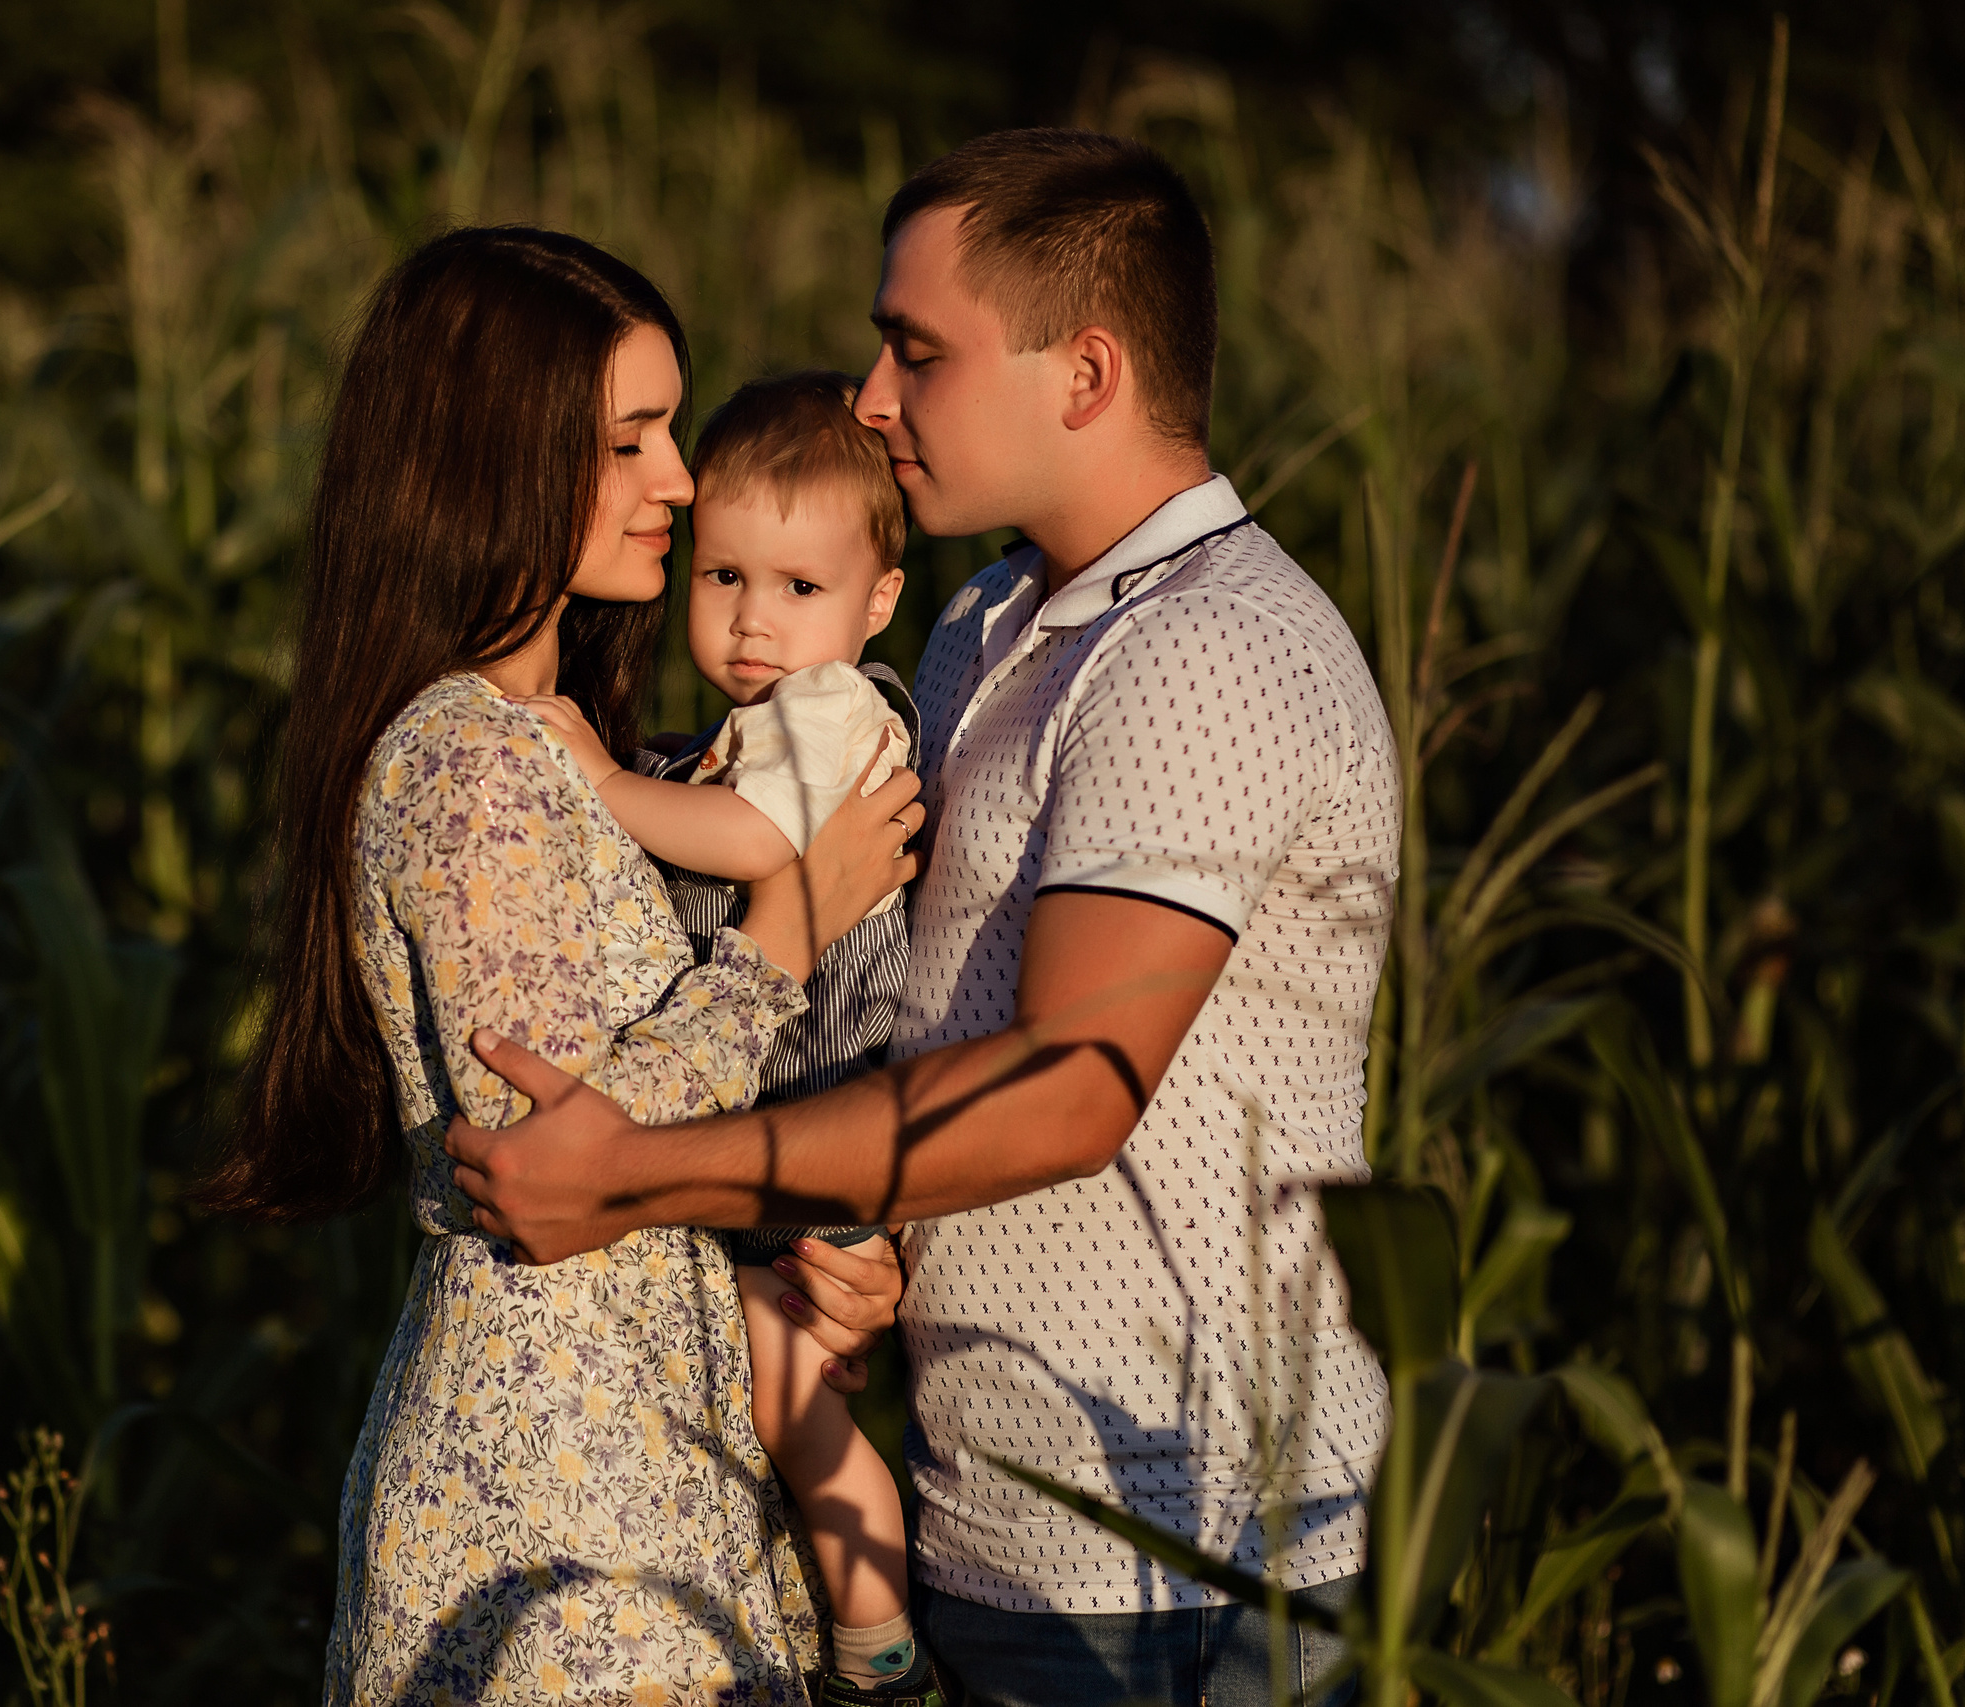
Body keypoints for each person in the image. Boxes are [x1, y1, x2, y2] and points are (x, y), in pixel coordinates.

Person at [446, 130, 1398, 1707]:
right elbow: (915, 1007)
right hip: (994, 1528)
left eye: (918, 351)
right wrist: (871, 1250)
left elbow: (1067, 1087)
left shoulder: (1208, 654)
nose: (873, 397)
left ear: (1086, 373)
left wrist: (637, 1172)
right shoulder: (984, 626)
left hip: (1183, 1561)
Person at [194, 226, 929, 1707]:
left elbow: (661, 1126)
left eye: (673, 431)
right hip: (556, 1496)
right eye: (630, 441)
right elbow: (549, 1156)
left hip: (645, 1449)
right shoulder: (469, 764)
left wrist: (814, 1250)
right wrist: (794, 924)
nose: (680, 480)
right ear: (498, 461)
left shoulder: (588, 750)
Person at [517, 371, 933, 1703]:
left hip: (813, 1127)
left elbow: (759, 845)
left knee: (789, 1401)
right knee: (764, 1394)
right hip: (761, 1139)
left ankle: (882, 1645)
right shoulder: (732, 736)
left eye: (800, 587)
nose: (754, 620)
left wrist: (601, 782)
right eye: (725, 577)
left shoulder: (835, 715)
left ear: (878, 601)